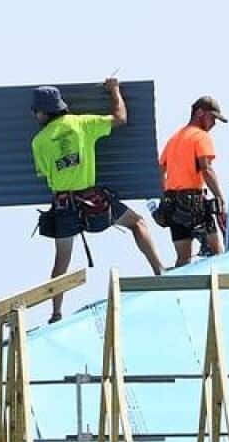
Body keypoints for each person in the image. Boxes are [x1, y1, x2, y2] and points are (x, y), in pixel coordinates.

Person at [31, 79, 164, 323]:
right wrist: (114, 90)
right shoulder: (83, 124)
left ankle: (56, 312)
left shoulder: (38, 142)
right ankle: (160, 272)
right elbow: (121, 118)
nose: (34, 115)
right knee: (137, 223)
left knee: (61, 260)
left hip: (63, 205)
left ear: (44, 112)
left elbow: (45, 175)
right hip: (92, 201)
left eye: (36, 111)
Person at [156, 96, 229, 267]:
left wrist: (166, 195)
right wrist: (220, 199)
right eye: (212, 118)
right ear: (200, 113)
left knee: (183, 259)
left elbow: (159, 171)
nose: (214, 123)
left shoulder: (174, 138)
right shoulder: (201, 136)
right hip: (194, 203)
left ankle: (178, 284)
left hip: (172, 205)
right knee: (216, 254)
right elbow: (206, 169)